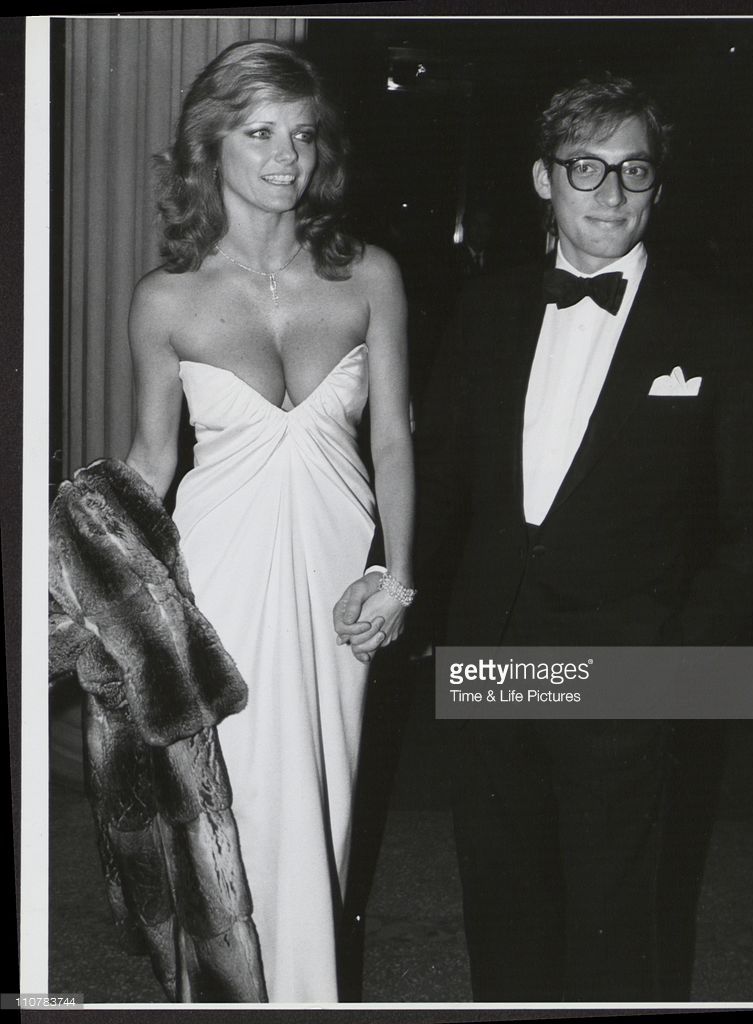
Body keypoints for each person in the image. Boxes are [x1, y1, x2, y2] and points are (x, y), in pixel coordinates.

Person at [336, 75, 753, 1000]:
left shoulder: (720, 327)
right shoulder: (486, 310)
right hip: (491, 653)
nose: (611, 193)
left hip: (634, 662)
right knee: (503, 907)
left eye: (633, 170)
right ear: (543, 179)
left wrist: (681, 661)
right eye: (586, 168)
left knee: (623, 921)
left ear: (658, 184)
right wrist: (390, 574)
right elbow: (440, 476)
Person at [125, 39, 414, 1002]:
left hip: (340, 589)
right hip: (218, 588)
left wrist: (397, 577)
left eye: (302, 133)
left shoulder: (369, 276)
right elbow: (152, 462)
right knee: (228, 814)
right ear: (210, 146)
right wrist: (103, 595)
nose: (287, 156)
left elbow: (393, 443)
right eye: (259, 133)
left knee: (321, 813)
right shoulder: (166, 299)